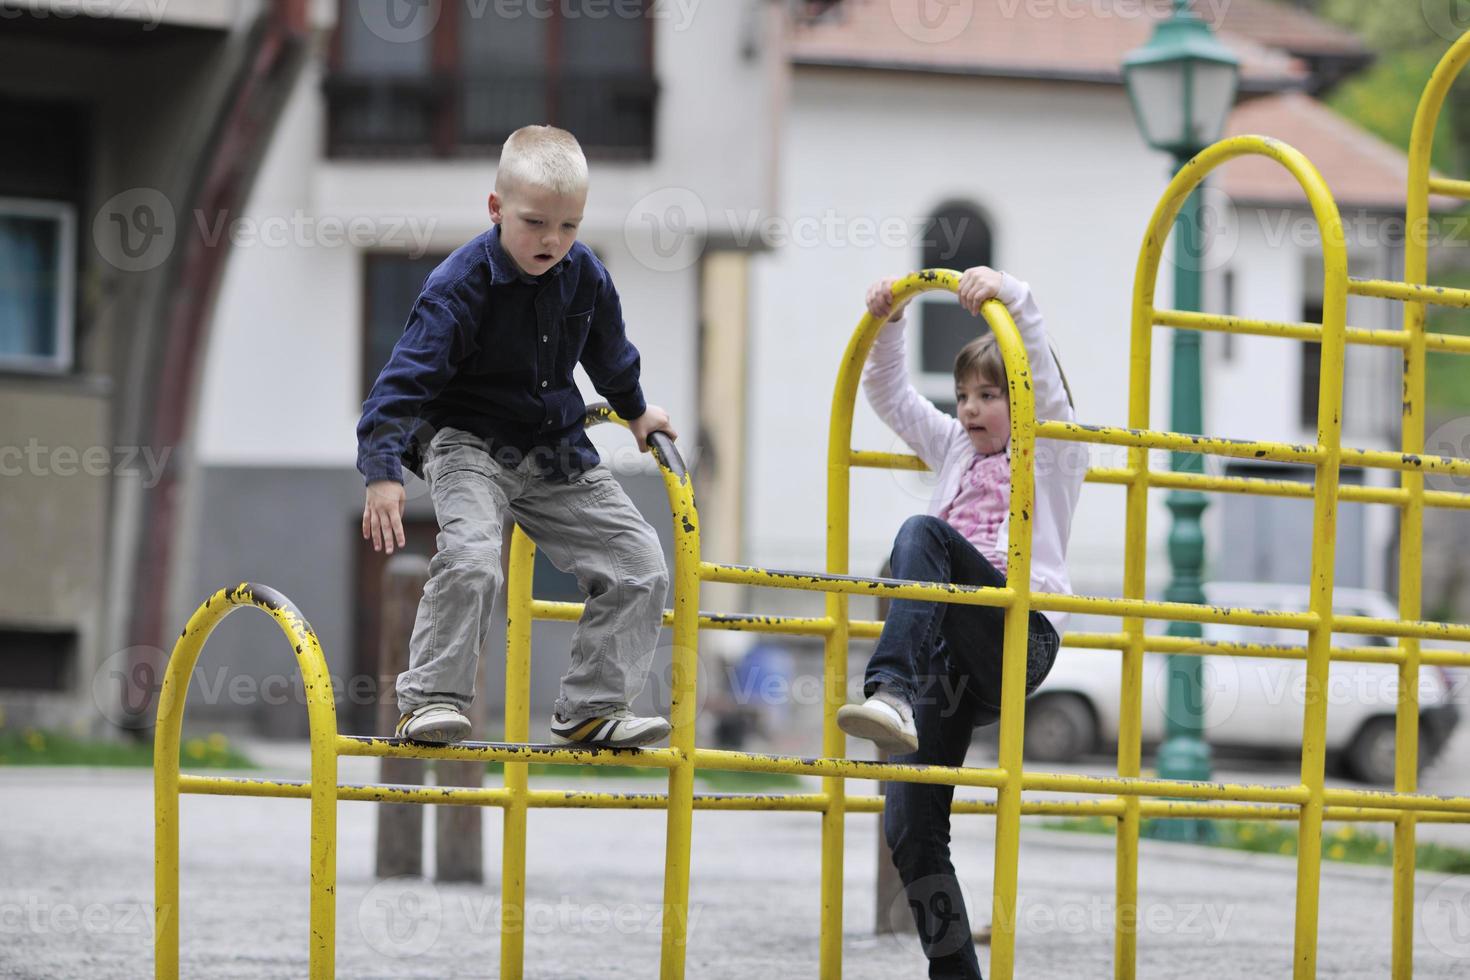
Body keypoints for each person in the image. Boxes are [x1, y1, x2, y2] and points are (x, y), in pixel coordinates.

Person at [357, 125, 675, 749]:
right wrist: (383, 470)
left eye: (569, 226)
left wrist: (637, 412)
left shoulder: (585, 275)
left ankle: (592, 708)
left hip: (555, 447)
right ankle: (430, 702)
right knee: (475, 562)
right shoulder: (458, 286)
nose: (552, 241)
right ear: (496, 209)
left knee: (641, 566)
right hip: (470, 446)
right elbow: (401, 382)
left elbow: (609, 353)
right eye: (535, 223)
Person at [836, 266, 1085, 978]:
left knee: (923, 533)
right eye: (966, 396)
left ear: (1025, 400)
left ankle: (888, 688)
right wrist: (890, 321)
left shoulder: (1055, 452)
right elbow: (888, 394)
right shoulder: (952, 449)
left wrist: (1012, 295)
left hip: (1014, 634)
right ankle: (955, 973)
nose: (972, 409)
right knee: (909, 826)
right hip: (947, 661)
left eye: (992, 395)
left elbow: (1038, 365)